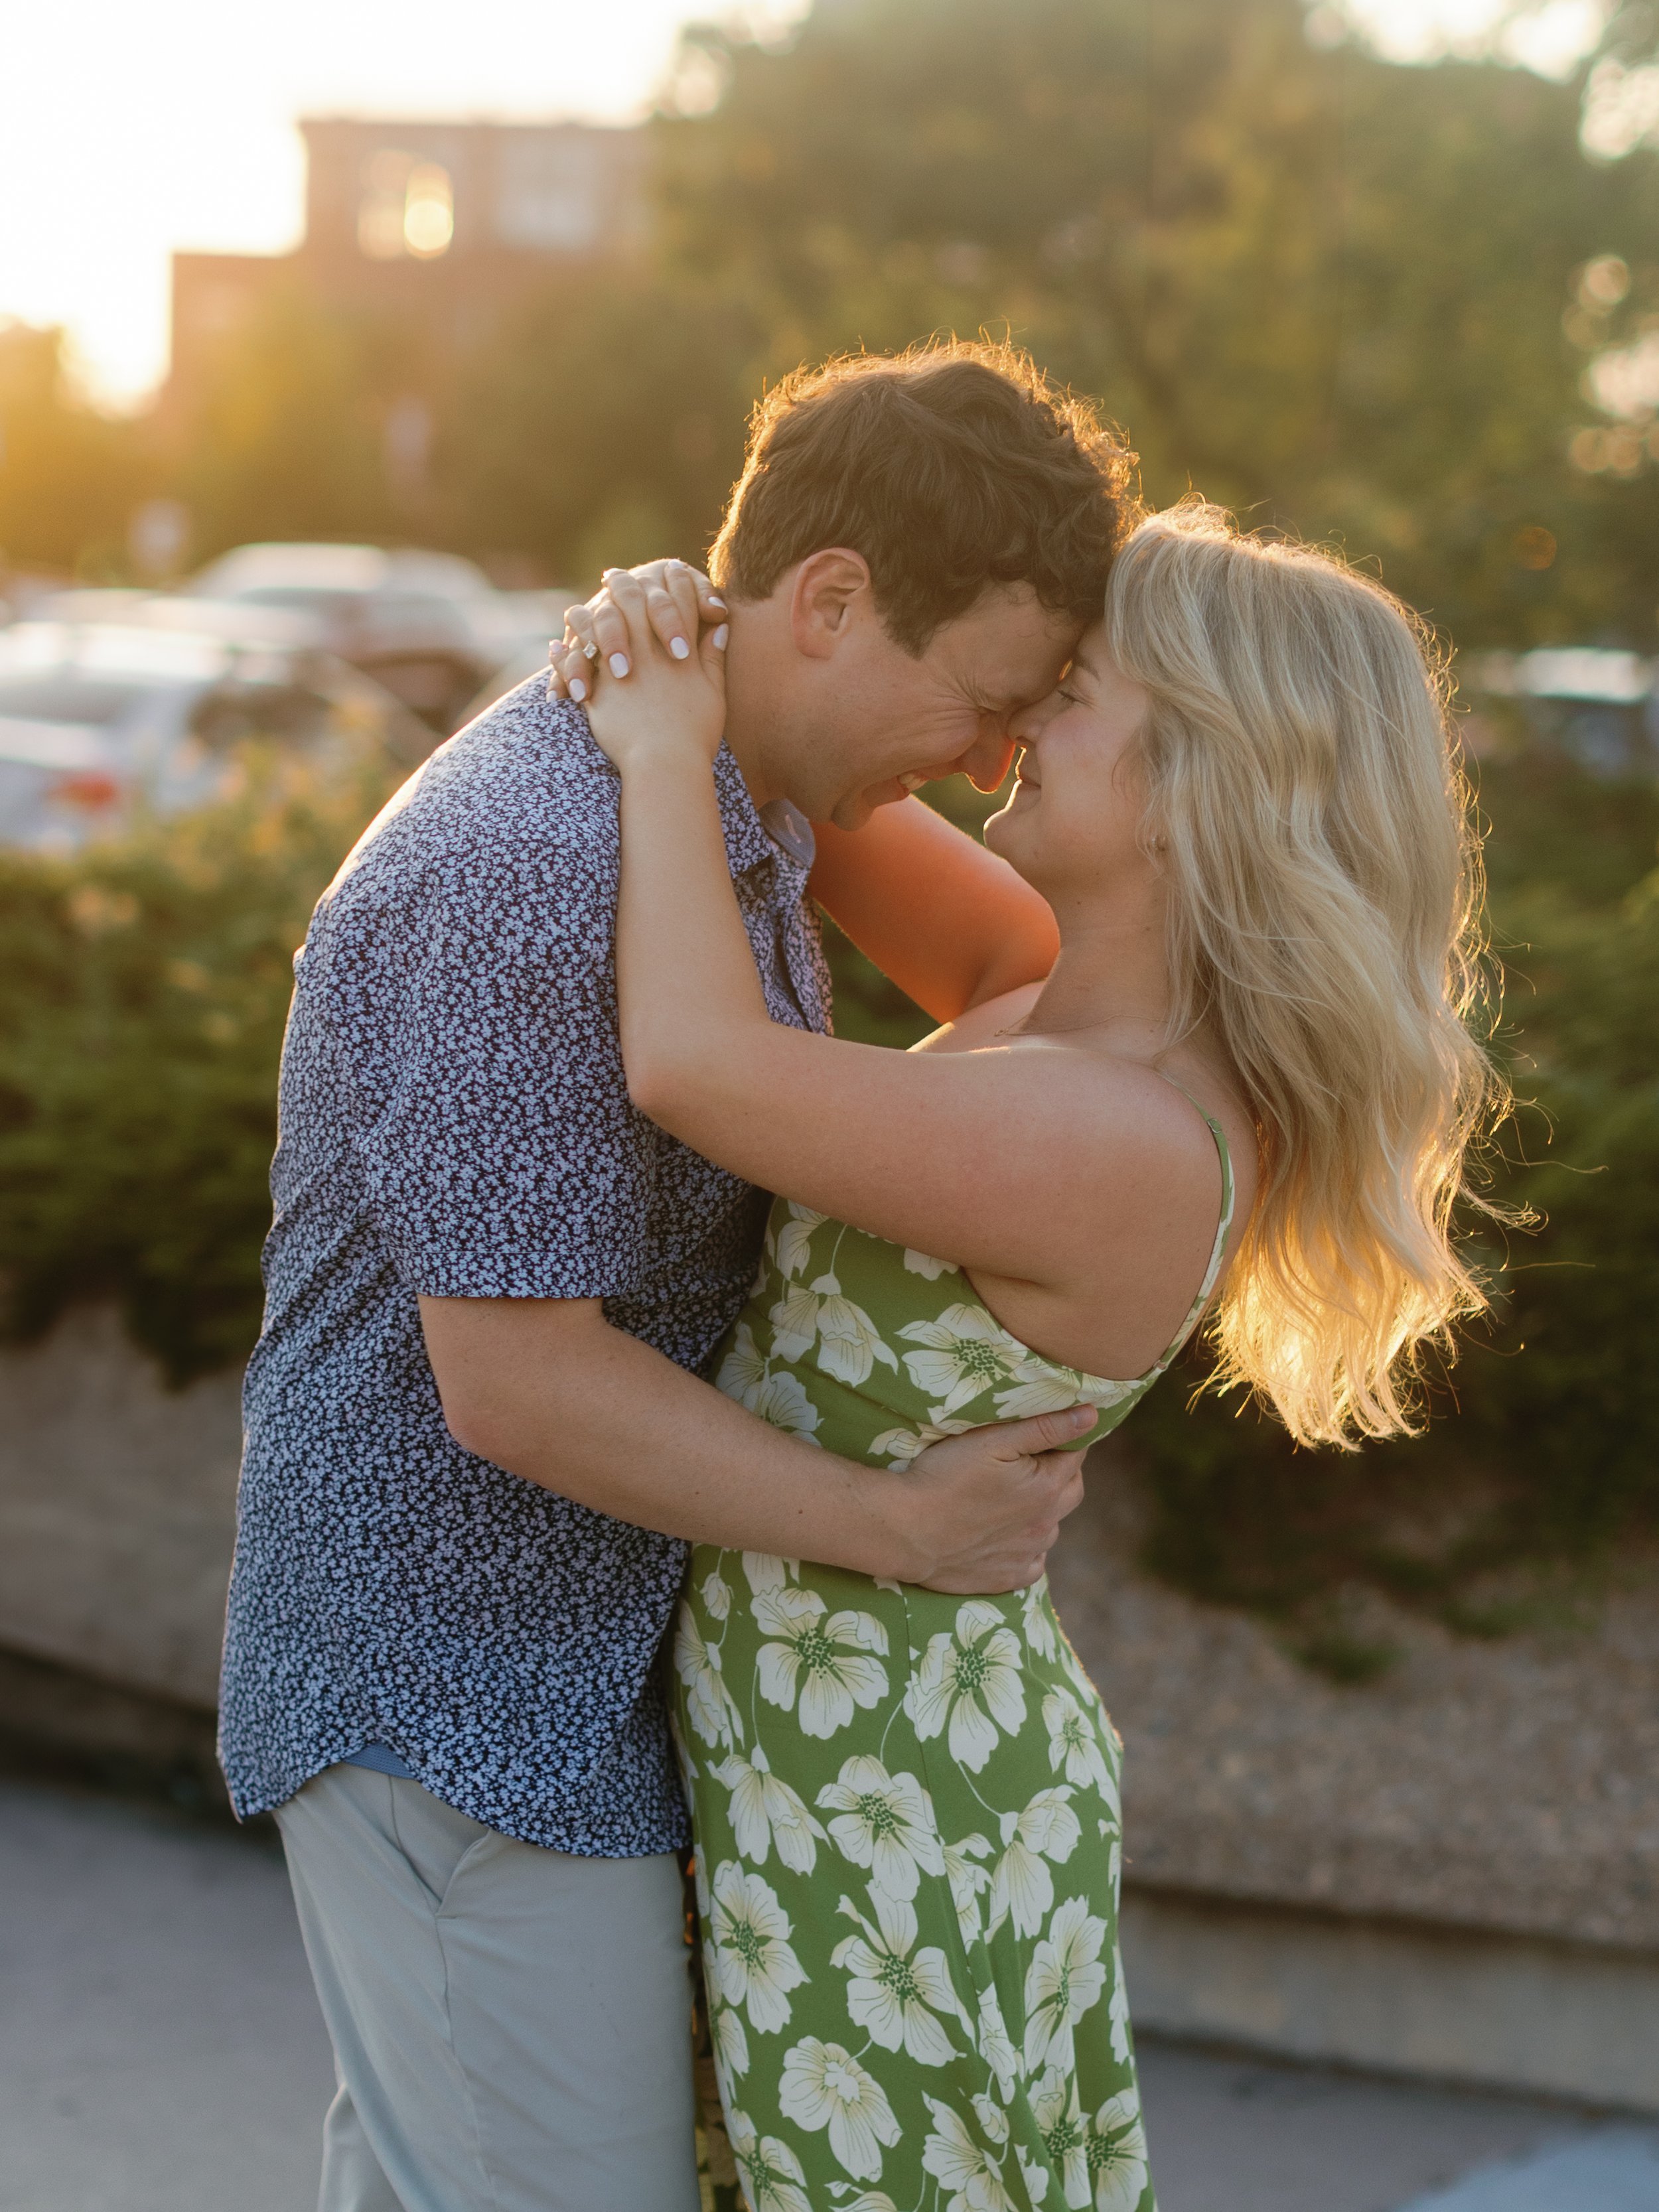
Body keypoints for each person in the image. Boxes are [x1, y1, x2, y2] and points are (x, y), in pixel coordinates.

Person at [217, 340, 1135, 2212]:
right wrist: (895, 1527)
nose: (981, 763)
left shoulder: (737, 799)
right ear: (828, 602)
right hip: (457, 1700)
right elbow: (516, 1378)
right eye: (982, 704)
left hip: (562, 1688)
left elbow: (1056, 982)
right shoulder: (540, 864)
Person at [555, 500, 1500, 2211]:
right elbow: (811, 763)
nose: (1017, 726)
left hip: (896, 1801)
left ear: (1209, 777)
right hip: (836, 1753)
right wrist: (705, 631)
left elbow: (689, 1059)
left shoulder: (1129, 1137)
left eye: (1074, 692)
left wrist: (651, 728)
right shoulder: (1043, 990)